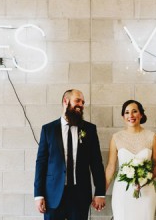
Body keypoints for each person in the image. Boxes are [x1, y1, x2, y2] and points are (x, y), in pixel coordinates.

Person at [34, 89, 106, 219]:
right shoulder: (48, 129)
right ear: (65, 101)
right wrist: (38, 195)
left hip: (80, 195)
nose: (81, 105)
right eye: (77, 100)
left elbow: (96, 162)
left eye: (83, 102)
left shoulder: (89, 129)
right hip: (53, 195)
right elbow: (41, 163)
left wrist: (100, 192)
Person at [105, 100, 156, 220]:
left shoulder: (152, 137)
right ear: (123, 116)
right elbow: (110, 167)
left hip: (145, 191)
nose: (130, 115)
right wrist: (100, 193)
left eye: (134, 111)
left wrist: (144, 180)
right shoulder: (116, 138)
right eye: (127, 112)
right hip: (122, 192)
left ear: (141, 114)